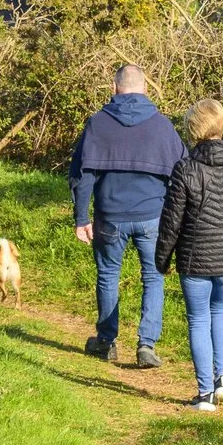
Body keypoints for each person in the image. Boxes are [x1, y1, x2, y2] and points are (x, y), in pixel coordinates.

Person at [69, 63, 185, 366]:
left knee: (108, 275)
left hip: (109, 215)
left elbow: (83, 175)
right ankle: (147, 345)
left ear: (114, 87)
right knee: (153, 277)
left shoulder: (97, 124)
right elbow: (181, 174)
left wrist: (81, 218)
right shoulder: (163, 126)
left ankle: (106, 341)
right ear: (145, 88)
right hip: (152, 216)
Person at [154, 97, 223, 411]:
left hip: (195, 258)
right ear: (222, 124)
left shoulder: (185, 168)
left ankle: (204, 395)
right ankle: (222, 379)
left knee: (198, 320)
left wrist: (162, 259)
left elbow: (171, 221)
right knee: (222, 312)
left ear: (192, 128)